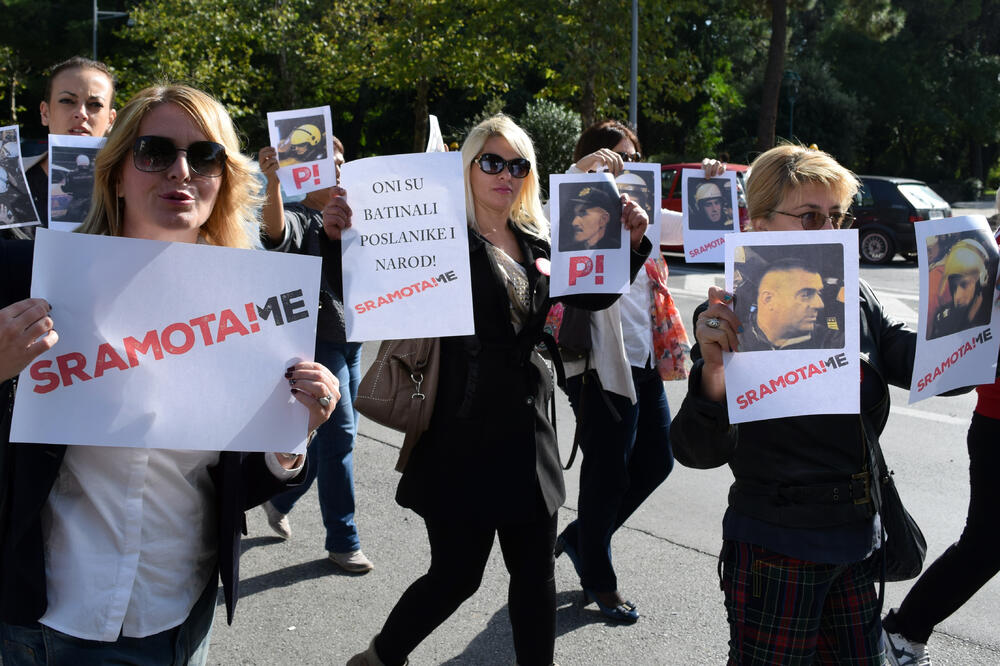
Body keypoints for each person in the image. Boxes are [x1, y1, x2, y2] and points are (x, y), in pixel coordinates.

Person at [0, 83, 342, 665]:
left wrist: (293, 437)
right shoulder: (29, 277)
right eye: (155, 152)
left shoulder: (254, 304)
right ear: (115, 173)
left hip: (178, 614)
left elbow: (235, 484)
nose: (180, 171)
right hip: (50, 617)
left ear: (225, 178)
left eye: (204, 155)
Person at [346, 114, 651, 666]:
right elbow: (377, 275)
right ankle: (380, 656)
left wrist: (630, 243)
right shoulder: (438, 238)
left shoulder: (536, 237)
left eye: (517, 165)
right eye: (491, 161)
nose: (504, 174)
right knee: (456, 576)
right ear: (467, 166)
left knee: (535, 576)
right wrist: (345, 228)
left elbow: (591, 298)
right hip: (458, 432)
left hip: (527, 432)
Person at [670, 144, 931, 665]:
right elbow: (696, 451)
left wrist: (970, 329)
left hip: (857, 538)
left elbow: (919, 360)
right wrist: (714, 376)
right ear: (758, 222)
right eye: (811, 216)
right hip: (775, 547)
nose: (829, 230)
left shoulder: (854, 297)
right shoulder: (728, 317)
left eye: (837, 216)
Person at [551, 119, 721, 624]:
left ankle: (583, 539)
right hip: (597, 363)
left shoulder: (645, 213)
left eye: (628, 156)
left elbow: (703, 228)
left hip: (644, 358)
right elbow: (540, 215)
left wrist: (710, 181)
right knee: (608, 471)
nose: (620, 165)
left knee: (658, 460)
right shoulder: (572, 208)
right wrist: (583, 173)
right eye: (609, 157)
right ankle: (599, 577)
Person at [881, 228, 1000, 666]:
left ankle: (904, 630)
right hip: (998, 424)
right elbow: (959, 341)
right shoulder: (985, 254)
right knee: (986, 545)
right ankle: (902, 631)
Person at [255, 136, 373, 573]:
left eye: (343, 162)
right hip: (317, 343)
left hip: (353, 337)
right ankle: (344, 541)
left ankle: (279, 496)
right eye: (330, 164)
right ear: (303, 174)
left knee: (334, 439)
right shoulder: (299, 217)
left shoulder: (357, 216)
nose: (340, 170)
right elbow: (273, 231)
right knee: (340, 439)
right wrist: (271, 183)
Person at [3, 56, 117, 239]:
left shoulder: (127, 187)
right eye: (67, 101)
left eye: (95, 105)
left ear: (111, 120)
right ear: (45, 112)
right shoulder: (7, 179)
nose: (81, 114)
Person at [739, 258, 828, 351]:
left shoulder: (830, 341)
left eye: (819, 293)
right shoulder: (732, 343)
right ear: (768, 299)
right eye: (805, 295)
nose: (820, 304)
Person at [929, 238, 993, 339]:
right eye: (954, 287)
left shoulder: (993, 314)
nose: (957, 296)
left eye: (964, 285)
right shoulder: (944, 320)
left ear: (981, 281)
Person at [560, 182, 621, 250]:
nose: (574, 223)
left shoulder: (619, 250)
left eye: (583, 214)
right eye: (575, 215)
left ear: (603, 219)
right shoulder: (569, 250)